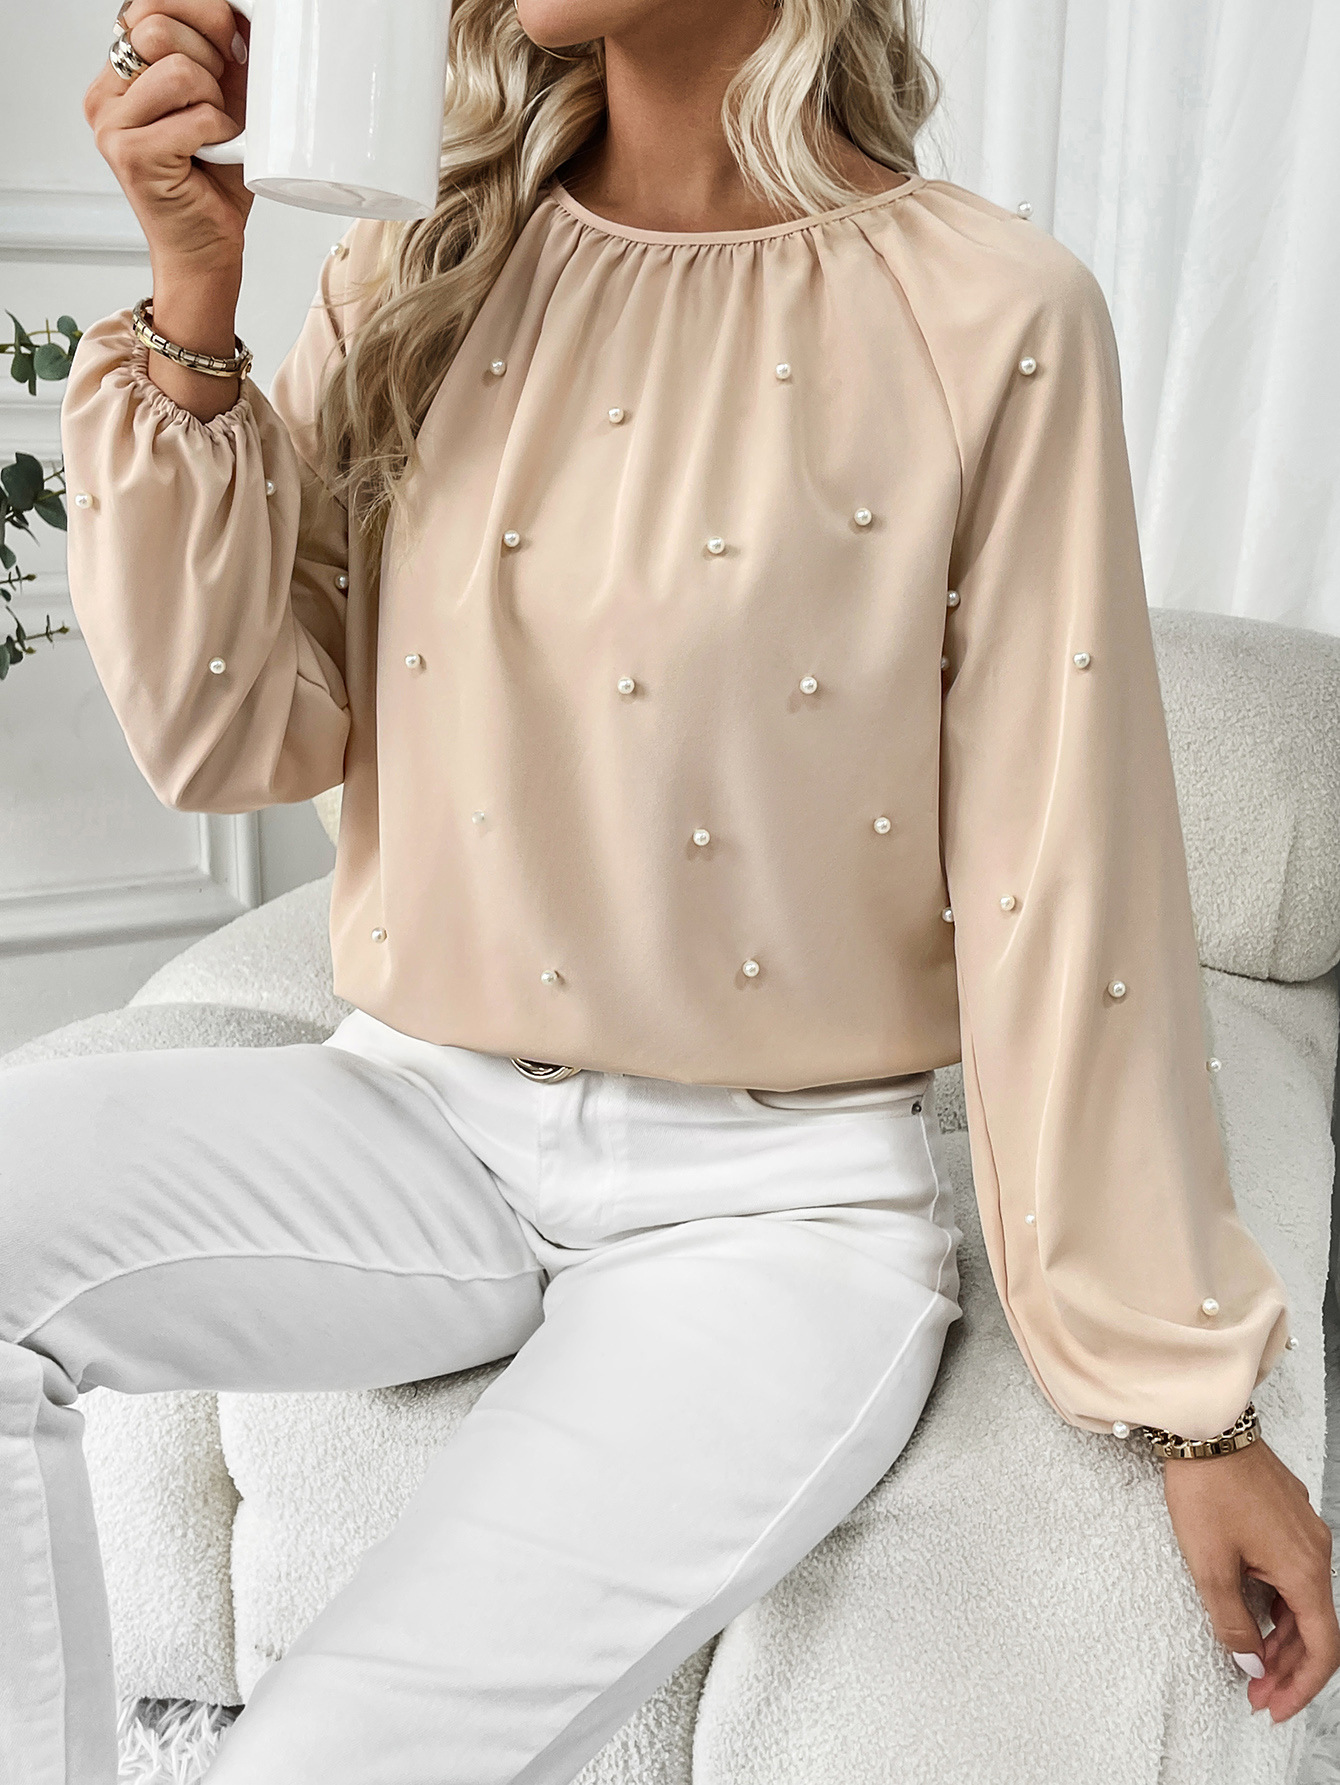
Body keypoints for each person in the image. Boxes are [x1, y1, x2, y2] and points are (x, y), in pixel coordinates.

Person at [1, 0, 1333, 1779]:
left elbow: (1066, 880)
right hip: (416, 1114)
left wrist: (1194, 1411)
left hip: (774, 1216)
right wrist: (193, 295)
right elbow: (233, 724)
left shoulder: (991, 312)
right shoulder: (419, 265)